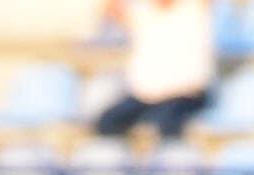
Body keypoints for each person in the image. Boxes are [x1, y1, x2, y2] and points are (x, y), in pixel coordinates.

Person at [93, 0, 217, 138]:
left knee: (164, 125)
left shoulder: (194, 8)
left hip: (185, 95)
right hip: (145, 97)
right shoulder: (142, 12)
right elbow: (112, 7)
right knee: (107, 122)